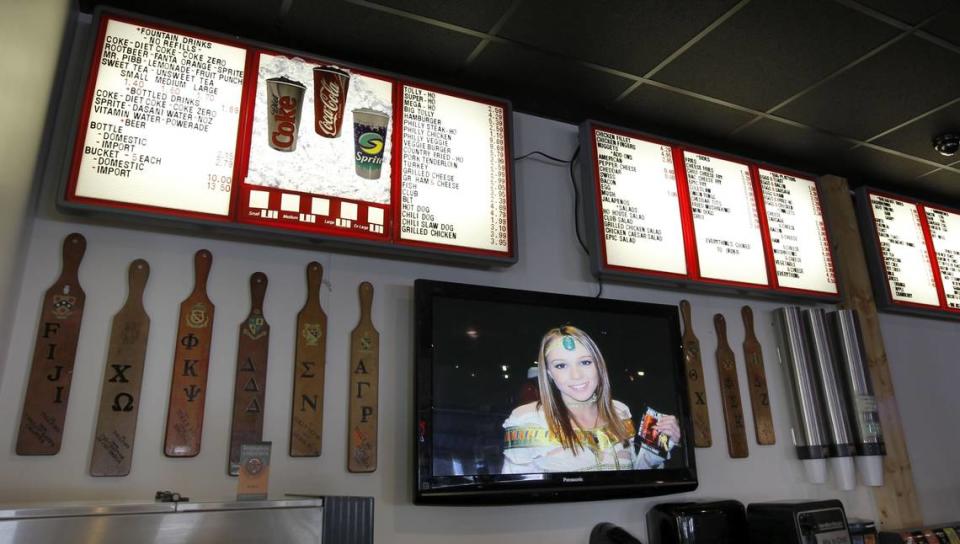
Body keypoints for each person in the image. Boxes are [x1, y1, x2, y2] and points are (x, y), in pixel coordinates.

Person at [501, 325, 681, 473]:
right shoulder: (527, 420)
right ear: (549, 374)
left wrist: (659, 446)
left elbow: (634, 481)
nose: (576, 375)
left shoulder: (619, 411)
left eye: (585, 362)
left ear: (598, 365)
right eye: (561, 365)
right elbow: (515, 494)